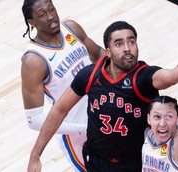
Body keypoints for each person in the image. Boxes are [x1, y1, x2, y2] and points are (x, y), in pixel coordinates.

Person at [27, 21, 178, 172]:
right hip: (95, 161)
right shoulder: (90, 75)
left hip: (133, 163)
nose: (127, 48)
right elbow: (59, 109)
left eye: (131, 42)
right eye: (119, 44)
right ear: (107, 52)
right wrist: (35, 155)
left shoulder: (143, 77)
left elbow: (168, 76)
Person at [21, 0, 105, 171]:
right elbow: (34, 120)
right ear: (31, 22)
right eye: (42, 14)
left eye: (51, 9)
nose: (51, 16)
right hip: (79, 134)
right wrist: (83, 129)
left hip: (106, 112)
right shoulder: (34, 60)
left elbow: (99, 55)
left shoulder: (71, 29)